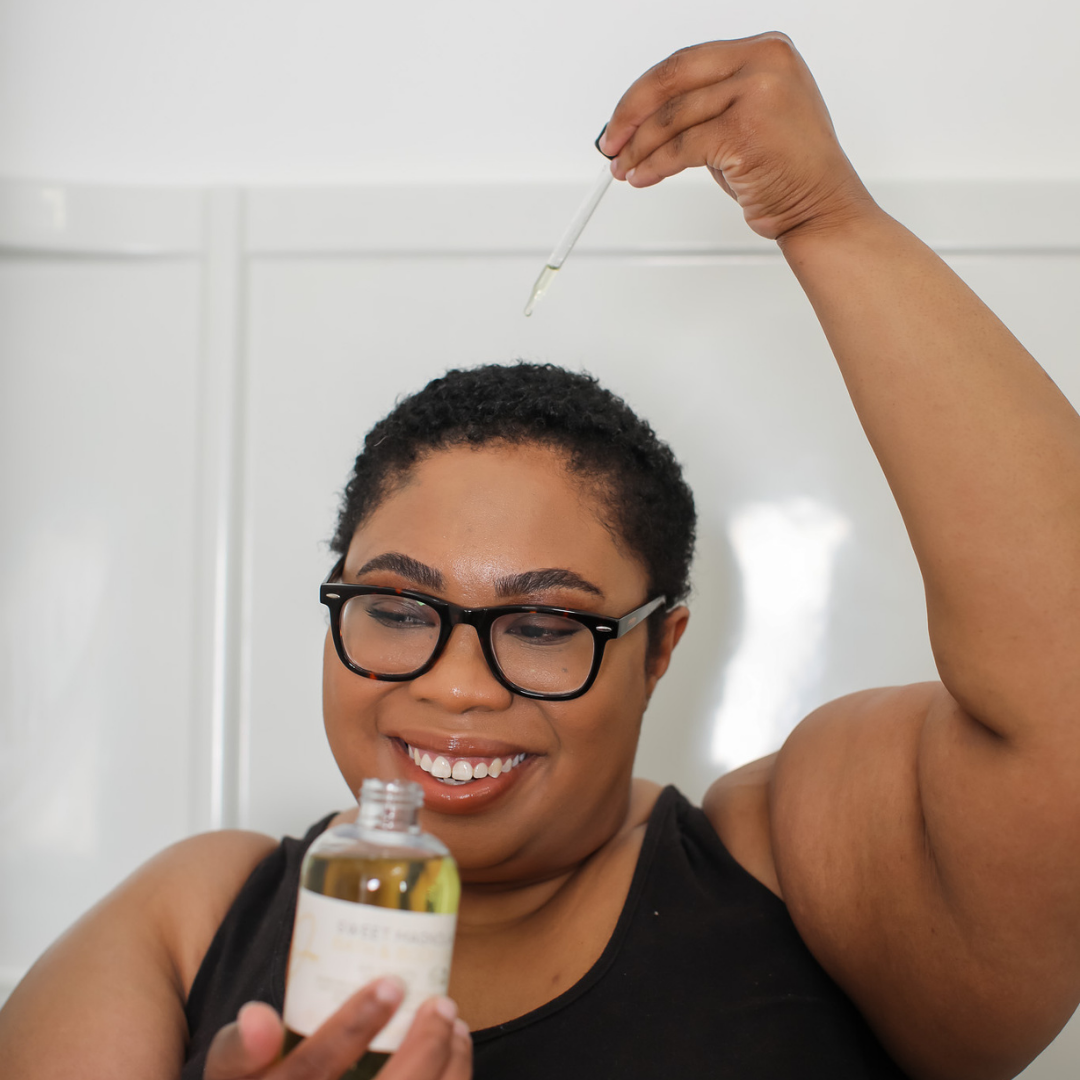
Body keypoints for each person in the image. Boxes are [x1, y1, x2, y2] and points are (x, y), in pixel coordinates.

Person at [2, 31, 1079, 1080]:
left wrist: (824, 220)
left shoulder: (793, 872)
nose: (456, 686)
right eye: (398, 609)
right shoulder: (195, 922)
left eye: (541, 625)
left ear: (659, 649)